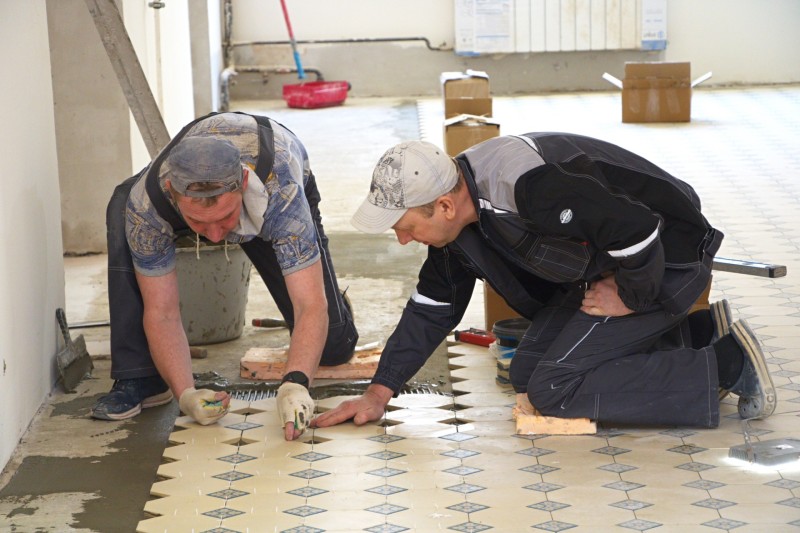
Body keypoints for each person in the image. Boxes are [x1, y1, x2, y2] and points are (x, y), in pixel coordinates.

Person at [312, 134, 776, 431]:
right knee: (527, 373)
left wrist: (630, 294)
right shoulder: (455, 225)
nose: (401, 238)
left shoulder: (526, 187)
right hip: (617, 264)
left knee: (555, 390)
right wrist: (378, 393)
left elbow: (636, 228)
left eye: (404, 224)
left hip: (668, 255)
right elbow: (432, 307)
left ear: (444, 206)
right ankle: (695, 335)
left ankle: (727, 364)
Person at [93, 112, 358, 440]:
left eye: (225, 217)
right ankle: (141, 376)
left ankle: (330, 295)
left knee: (332, 348)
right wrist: (186, 394)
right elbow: (161, 312)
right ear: (171, 192)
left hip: (275, 189)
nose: (216, 238)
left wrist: (296, 383)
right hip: (177, 201)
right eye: (200, 223)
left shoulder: (282, 192)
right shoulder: (147, 207)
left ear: (243, 185)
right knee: (122, 204)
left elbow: (309, 306)